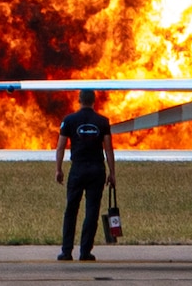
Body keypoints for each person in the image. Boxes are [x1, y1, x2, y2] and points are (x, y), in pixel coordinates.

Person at [55, 89, 116, 261]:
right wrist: (112, 173)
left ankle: (66, 251)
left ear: (79, 100)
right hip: (97, 170)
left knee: (71, 210)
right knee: (92, 211)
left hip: (78, 170)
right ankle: (85, 251)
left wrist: (58, 169)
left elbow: (60, 147)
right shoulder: (103, 121)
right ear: (94, 101)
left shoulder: (69, 120)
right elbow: (108, 149)